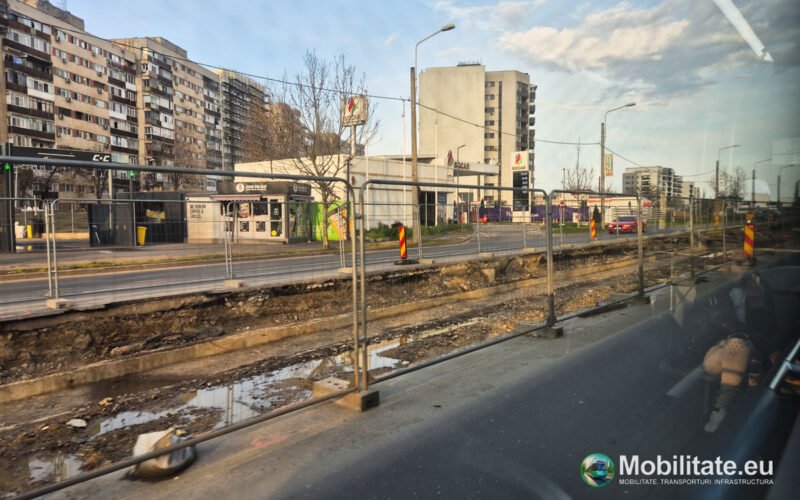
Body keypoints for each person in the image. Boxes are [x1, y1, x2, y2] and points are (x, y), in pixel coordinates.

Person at [703, 272, 777, 432]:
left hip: (752, 346)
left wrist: (757, 304)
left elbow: (769, 328)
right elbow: (719, 322)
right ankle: (734, 406)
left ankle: (721, 408)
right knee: (735, 344)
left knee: (738, 345)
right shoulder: (718, 288)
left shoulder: (759, 285)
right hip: (719, 348)